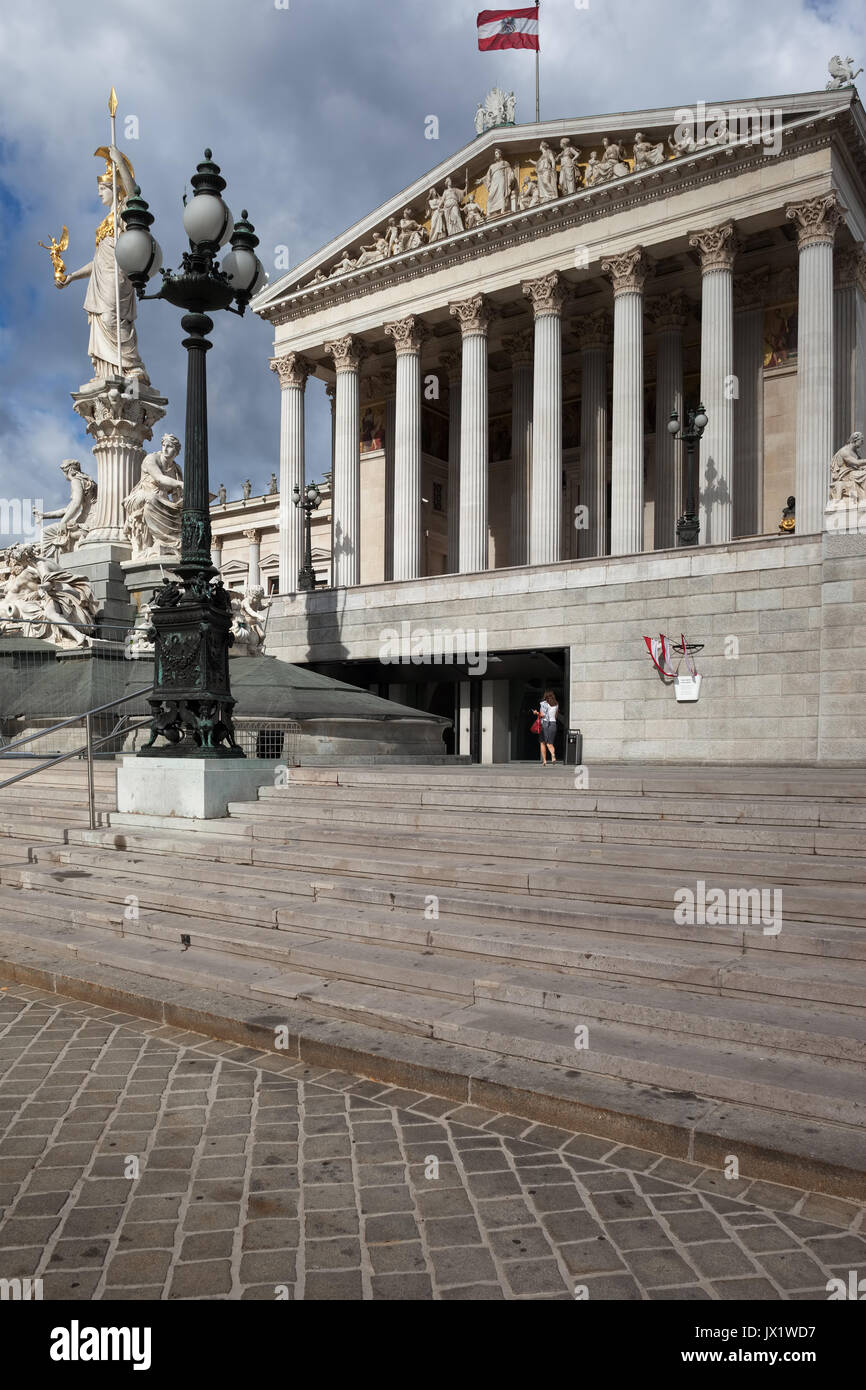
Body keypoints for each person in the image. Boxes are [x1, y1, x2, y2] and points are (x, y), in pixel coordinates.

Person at [533, 689, 559, 765]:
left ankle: (544, 761)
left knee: (543, 742)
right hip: (553, 723)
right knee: (550, 742)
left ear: (545, 696)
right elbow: (556, 716)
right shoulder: (556, 704)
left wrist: (536, 713)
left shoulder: (544, 704)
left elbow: (542, 715)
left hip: (544, 724)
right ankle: (553, 755)